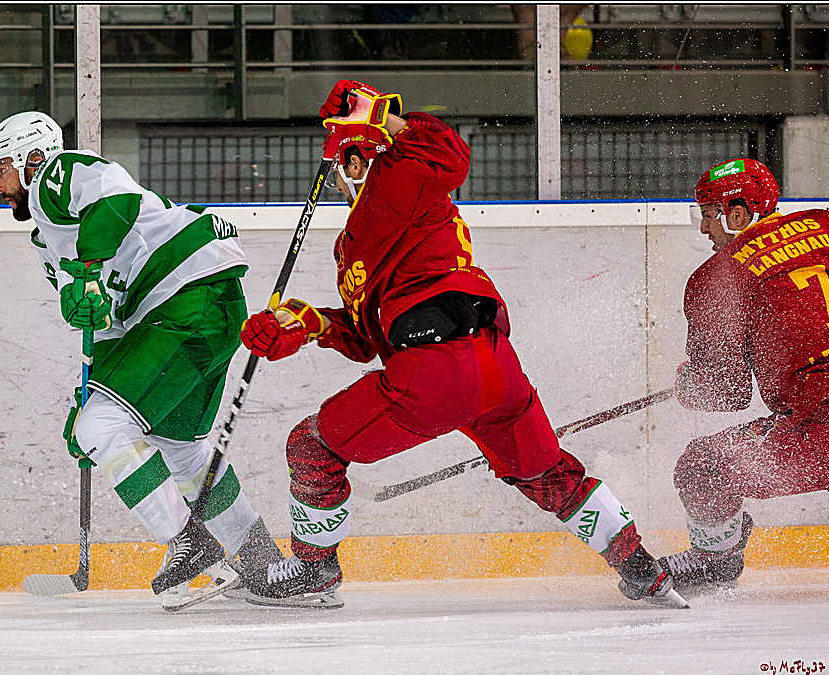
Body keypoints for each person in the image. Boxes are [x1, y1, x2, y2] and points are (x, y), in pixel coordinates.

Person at [238, 80, 685, 609]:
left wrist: (381, 115)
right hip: (492, 366)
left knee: (312, 448)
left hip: (433, 372)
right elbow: (366, 338)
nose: (338, 180)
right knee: (546, 472)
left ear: (359, 162)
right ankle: (641, 568)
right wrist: (301, 324)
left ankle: (313, 571)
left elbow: (448, 154)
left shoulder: (394, 182)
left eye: (342, 166)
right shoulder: (359, 240)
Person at [0, 111, 284, 610]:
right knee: (178, 448)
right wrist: (91, 389)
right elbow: (109, 323)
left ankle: (189, 545)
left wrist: (89, 269)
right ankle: (264, 566)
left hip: (185, 299)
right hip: (201, 308)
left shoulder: (55, 176)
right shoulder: (45, 238)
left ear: (30, 157)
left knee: (101, 429)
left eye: (0, 170)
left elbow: (115, 194)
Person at [658, 159, 829, 592]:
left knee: (702, 469)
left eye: (707, 214)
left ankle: (714, 562)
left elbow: (728, 392)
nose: (703, 229)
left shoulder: (717, 277)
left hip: (823, 430)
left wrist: (689, 385)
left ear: (737, 215)